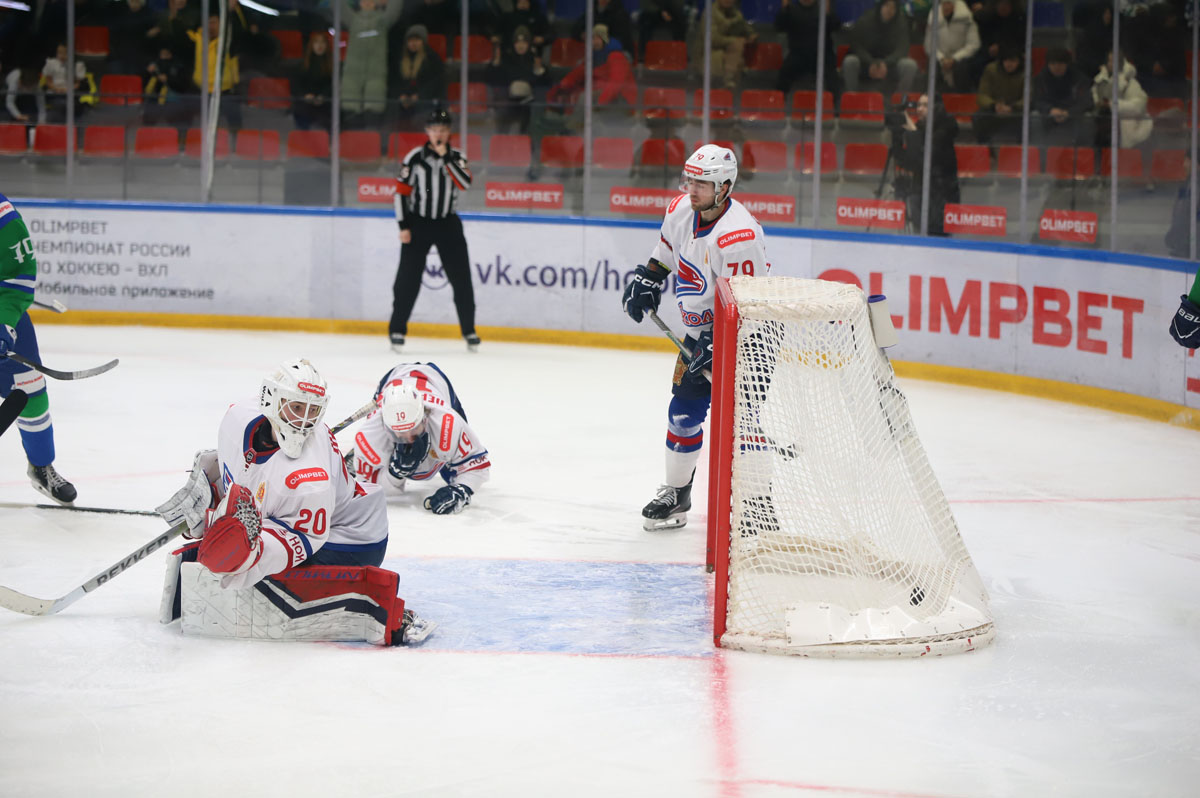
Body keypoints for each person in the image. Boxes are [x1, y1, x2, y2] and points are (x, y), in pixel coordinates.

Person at [154, 357, 434, 645]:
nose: (303, 421)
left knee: (253, 564)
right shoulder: (237, 416)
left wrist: (243, 551)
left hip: (353, 537)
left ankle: (377, 609)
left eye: (313, 411)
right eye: (297, 407)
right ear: (271, 399)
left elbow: (296, 540)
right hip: (319, 515)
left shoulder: (309, 481)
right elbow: (239, 465)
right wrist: (211, 489)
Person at [621, 144, 768, 530]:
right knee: (682, 414)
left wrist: (719, 344)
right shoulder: (680, 210)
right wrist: (649, 277)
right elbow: (665, 251)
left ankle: (757, 506)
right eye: (689, 181)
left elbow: (748, 304)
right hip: (701, 335)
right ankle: (677, 494)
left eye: (701, 184)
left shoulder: (738, 236)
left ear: (724, 187)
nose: (692, 189)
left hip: (749, 339)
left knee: (745, 422)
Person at [0, 193, 77, 505]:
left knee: (30, 392)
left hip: (3, 315)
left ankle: (41, 467)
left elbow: (16, 280)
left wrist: (3, 324)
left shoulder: (3, 218)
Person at [390, 106, 480, 353]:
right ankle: (397, 330)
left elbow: (464, 184)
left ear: (449, 132)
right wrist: (403, 226)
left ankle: (469, 330)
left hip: (447, 223)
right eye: (434, 129)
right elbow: (401, 193)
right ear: (427, 131)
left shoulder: (457, 157)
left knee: (461, 278)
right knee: (407, 279)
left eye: (442, 129)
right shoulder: (414, 158)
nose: (438, 134)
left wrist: (446, 157)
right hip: (418, 223)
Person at [346, 362, 491, 513]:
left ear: (425, 416)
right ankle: (362, 458)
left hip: (435, 380)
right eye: (400, 432)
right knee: (378, 456)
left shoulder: (447, 422)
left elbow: (477, 466)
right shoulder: (370, 435)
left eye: (413, 428)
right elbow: (369, 488)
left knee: (452, 473)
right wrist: (394, 475)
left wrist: (461, 489)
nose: (409, 438)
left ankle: (364, 459)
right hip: (392, 378)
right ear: (385, 425)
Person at [889, 93, 960, 235]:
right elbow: (910, 162)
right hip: (919, 190)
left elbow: (926, 155)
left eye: (925, 105)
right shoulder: (919, 128)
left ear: (937, 108)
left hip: (941, 193)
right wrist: (897, 136)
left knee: (937, 236)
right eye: (919, 105)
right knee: (918, 234)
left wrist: (912, 131)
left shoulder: (946, 127)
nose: (919, 109)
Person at [340, 0, 404, 131]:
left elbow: (395, 7)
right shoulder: (353, 19)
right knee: (350, 110)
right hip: (352, 74)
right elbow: (339, 6)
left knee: (373, 113)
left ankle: (371, 140)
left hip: (376, 75)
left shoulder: (383, 20)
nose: (368, 2)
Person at [842, 0, 917, 96]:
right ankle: (852, 98)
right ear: (880, 6)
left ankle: (900, 100)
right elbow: (856, 46)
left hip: (890, 65)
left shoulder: (901, 23)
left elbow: (902, 49)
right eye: (886, 6)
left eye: (893, 7)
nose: (889, 10)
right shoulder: (866, 20)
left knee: (910, 65)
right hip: (866, 64)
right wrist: (871, 62)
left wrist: (885, 63)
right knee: (850, 61)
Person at [774, 0, 842, 98]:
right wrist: (785, 9)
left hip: (822, 56)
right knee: (784, 73)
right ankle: (778, 103)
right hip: (797, 55)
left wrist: (828, 13)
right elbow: (779, 27)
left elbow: (836, 27)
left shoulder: (822, 10)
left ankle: (835, 105)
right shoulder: (791, 10)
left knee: (832, 78)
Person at [1032, 47, 1093, 147]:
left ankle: (1084, 151)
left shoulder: (1079, 79)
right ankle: (1037, 152)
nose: (1057, 67)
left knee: (1088, 118)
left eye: (1060, 64)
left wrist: (1069, 112)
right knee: (1035, 117)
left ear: (1067, 64)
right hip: (1048, 117)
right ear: (1048, 64)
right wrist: (1050, 110)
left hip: (1073, 116)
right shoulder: (1040, 79)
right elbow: (1036, 100)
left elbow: (1087, 102)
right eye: (1053, 64)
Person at [692, 0, 757, 91]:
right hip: (709, 53)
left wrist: (751, 35)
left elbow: (745, 28)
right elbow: (712, 39)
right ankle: (728, 80)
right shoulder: (710, 13)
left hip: (730, 54)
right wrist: (734, 40)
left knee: (738, 54)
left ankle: (729, 82)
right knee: (737, 46)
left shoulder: (735, 13)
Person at [394, 24, 446, 131]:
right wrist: (401, 95)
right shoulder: (400, 59)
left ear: (423, 41)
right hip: (405, 105)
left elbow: (436, 83)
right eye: (410, 40)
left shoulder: (432, 58)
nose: (413, 43)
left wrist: (419, 97)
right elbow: (395, 81)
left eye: (417, 40)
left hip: (424, 104)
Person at [924, 0, 980, 91]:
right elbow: (929, 45)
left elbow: (974, 44)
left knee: (963, 66)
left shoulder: (967, 20)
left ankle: (963, 96)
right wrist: (941, 58)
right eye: (944, 3)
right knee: (932, 64)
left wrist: (955, 58)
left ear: (955, 5)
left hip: (961, 60)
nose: (946, 6)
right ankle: (933, 96)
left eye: (949, 3)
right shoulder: (933, 20)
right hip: (940, 59)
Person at [973, 45, 1023, 145]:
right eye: (1006, 60)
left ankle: (1021, 148)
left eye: (1013, 61)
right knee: (978, 116)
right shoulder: (990, 70)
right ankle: (986, 149)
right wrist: (994, 105)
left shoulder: (1025, 72)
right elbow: (982, 95)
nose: (1009, 64)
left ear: (1019, 61)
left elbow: (1028, 97)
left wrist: (1012, 107)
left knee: (1030, 118)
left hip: (1016, 111)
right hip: (994, 109)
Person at [291, 33, 333, 131]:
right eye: (316, 42)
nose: (320, 45)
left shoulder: (333, 66)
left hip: (325, 104)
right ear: (311, 45)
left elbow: (333, 85)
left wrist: (323, 96)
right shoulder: (302, 65)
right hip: (306, 103)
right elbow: (296, 85)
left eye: (323, 42)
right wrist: (305, 96)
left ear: (327, 45)